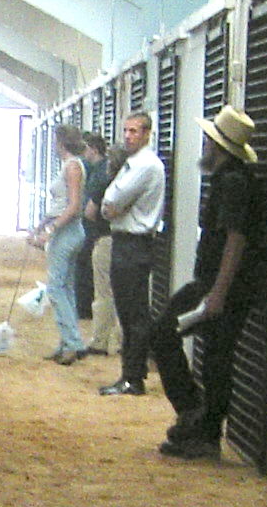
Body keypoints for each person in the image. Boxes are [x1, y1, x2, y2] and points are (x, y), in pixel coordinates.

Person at [146, 106, 267, 459]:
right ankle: (201, 425)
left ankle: (197, 419)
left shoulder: (232, 183)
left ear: (217, 146)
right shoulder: (232, 179)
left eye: (208, 141)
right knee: (215, 357)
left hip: (220, 285)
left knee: (171, 336)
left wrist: (217, 293)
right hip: (222, 284)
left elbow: (236, 239)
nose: (204, 146)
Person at [97, 111, 166, 398]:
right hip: (127, 242)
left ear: (148, 134)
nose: (127, 136)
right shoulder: (134, 163)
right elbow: (109, 204)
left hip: (133, 244)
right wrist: (111, 207)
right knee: (128, 311)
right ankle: (131, 373)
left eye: (134, 131)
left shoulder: (145, 165)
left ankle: (133, 377)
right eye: (126, 130)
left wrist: (113, 207)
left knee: (133, 312)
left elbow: (112, 200)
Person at [29, 126, 89, 365]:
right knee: (66, 288)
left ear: (62, 142)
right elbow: (60, 203)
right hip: (66, 230)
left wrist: (50, 230)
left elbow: (73, 206)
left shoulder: (72, 167)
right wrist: (41, 225)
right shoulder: (69, 165)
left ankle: (72, 342)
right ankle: (68, 341)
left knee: (55, 289)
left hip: (67, 231)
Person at [78, 133, 114, 355]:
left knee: (103, 290)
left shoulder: (100, 176)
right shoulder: (100, 172)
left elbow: (90, 211)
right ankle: (118, 340)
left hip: (101, 235)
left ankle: (100, 341)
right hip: (111, 236)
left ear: (93, 149)